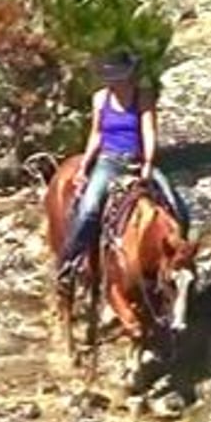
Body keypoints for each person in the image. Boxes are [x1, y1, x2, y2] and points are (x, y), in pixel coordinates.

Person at [58, 50, 189, 279]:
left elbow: (149, 131)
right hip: (109, 161)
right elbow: (96, 134)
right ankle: (69, 262)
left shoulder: (143, 97)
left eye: (118, 77)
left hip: (137, 160)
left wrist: (147, 163)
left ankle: (179, 260)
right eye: (111, 78)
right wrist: (84, 165)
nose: (114, 82)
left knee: (179, 208)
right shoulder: (101, 99)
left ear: (129, 75)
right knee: (88, 209)